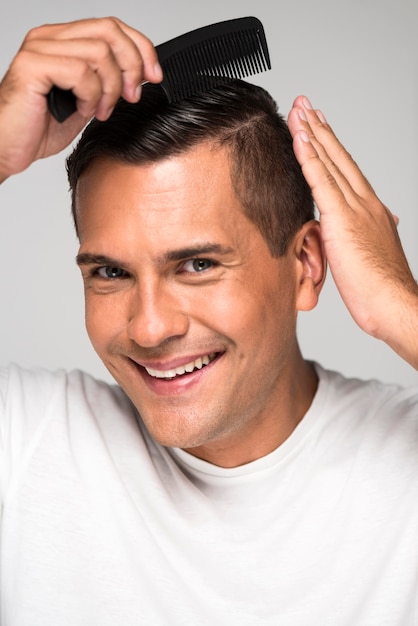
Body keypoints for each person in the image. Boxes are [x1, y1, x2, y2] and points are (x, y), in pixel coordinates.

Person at [0, 17, 417, 626]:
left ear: (306, 265)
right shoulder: (25, 444)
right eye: (110, 273)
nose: (148, 328)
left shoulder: (405, 467)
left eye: (196, 265)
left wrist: (400, 308)